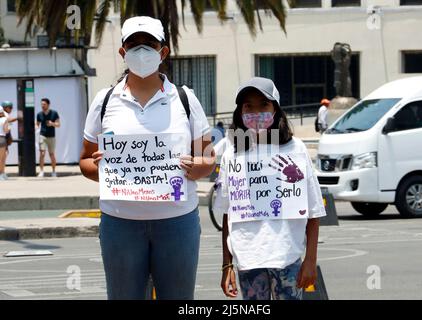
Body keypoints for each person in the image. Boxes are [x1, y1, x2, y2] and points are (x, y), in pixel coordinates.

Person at [79, 16, 215, 300]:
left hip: (177, 222)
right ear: (123, 52)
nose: (142, 51)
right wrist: (102, 167)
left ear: (163, 52)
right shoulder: (105, 100)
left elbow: (208, 160)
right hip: (120, 223)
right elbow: (85, 161)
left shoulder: (185, 99)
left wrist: (196, 167)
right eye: (134, 44)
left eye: (149, 44)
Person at [215, 77, 326, 300]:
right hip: (248, 259)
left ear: (276, 109)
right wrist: (227, 265)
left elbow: (313, 210)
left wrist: (311, 260)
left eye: (263, 105)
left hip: (288, 257)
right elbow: (229, 214)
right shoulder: (232, 154)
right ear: (240, 112)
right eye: (248, 106)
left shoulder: (296, 149)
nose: (256, 112)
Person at [36, 98, 60, 177]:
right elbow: (37, 124)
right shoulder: (39, 114)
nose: (42, 106)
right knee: (42, 153)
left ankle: (53, 171)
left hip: (51, 136)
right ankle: (41, 171)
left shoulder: (54, 113)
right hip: (42, 136)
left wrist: (52, 123)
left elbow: (58, 124)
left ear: (48, 105)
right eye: (41, 104)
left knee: (51, 154)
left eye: (44, 104)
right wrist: (35, 128)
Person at [0, 107, 10, 181]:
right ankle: (2, 174)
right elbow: (6, 130)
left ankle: (2, 174)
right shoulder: (4, 119)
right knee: (2, 158)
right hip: (2, 138)